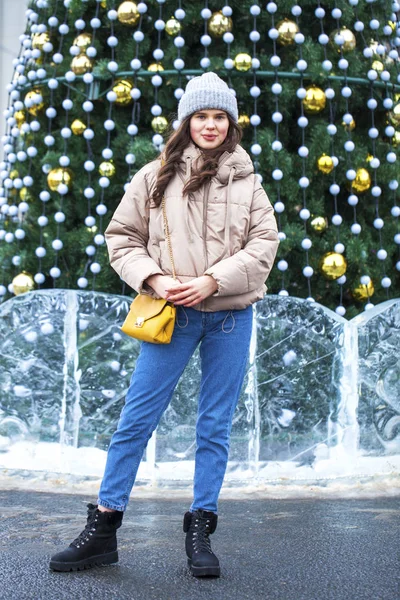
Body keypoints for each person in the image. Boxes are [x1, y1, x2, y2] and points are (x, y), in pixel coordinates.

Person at [49, 72, 279, 577]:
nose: (211, 125)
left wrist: (212, 281)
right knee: (136, 420)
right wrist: (153, 276)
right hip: (169, 315)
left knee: (214, 426)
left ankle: (201, 529)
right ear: (187, 122)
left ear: (231, 124)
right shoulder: (153, 178)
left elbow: (264, 246)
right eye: (202, 116)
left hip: (229, 318)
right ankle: (104, 527)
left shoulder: (250, 182)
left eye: (220, 116)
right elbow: (121, 238)